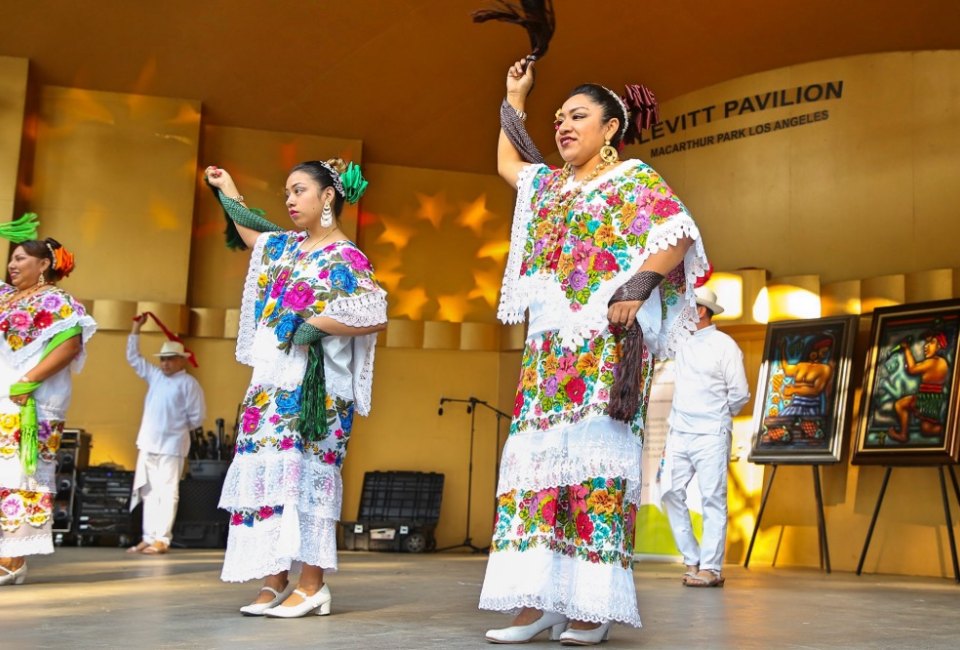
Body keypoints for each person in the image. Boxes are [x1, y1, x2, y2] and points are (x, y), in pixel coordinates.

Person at [479, 59, 710, 645]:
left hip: (603, 351)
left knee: (596, 470)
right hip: (547, 352)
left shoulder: (633, 179)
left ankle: (590, 606)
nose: (563, 126)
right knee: (538, 471)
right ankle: (537, 603)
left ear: (610, 127)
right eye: (558, 119)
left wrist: (637, 287)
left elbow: (678, 233)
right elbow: (508, 162)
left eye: (577, 116)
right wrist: (515, 97)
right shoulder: (550, 186)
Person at [204, 158, 387, 618]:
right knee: (271, 478)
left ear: (328, 196)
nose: (289, 200)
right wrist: (227, 189)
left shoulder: (346, 257)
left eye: (299, 190)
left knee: (307, 480)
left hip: (316, 391)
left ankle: (313, 585)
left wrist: (315, 324)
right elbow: (252, 234)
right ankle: (273, 577)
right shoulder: (286, 247)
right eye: (286, 191)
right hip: (269, 383)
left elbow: (373, 312)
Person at [0, 236, 96, 585]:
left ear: (43, 265)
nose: (12, 265)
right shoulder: (4, 298)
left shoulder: (58, 302)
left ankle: (13, 559)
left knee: (21, 475)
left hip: (33, 401)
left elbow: (69, 345)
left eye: (21, 258)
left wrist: (28, 380)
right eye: (11, 258)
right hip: (2, 397)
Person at [660, 286, 749, 588]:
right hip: (679, 431)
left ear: (700, 310)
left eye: (688, 306)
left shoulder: (725, 345)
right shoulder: (681, 341)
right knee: (669, 492)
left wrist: (719, 417)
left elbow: (739, 393)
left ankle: (711, 568)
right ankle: (692, 558)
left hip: (711, 432)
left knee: (713, 498)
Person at [126, 314, 206, 555]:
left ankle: (162, 538)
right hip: (148, 442)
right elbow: (133, 358)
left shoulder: (189, 384)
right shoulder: (156, 376)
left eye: (170, 360)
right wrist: (135, 328)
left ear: (181, 361)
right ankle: (148, 537)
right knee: (148, 491)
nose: (165, 364)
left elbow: (197, 417)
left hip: (172, 445)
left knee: (167, 491)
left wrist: (174, 429)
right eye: (162, 360)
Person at [887, 331, 950, 443]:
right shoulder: (942, 361)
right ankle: (903, 434)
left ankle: (949, 431)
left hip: (927, 399)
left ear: (939, 345)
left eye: (931, 342)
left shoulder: (933, 362)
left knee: (901, 406)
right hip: (928, 397)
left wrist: (906, 349)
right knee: (925, 428)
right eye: (926, 343)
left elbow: (912, 369)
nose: (926, 346)